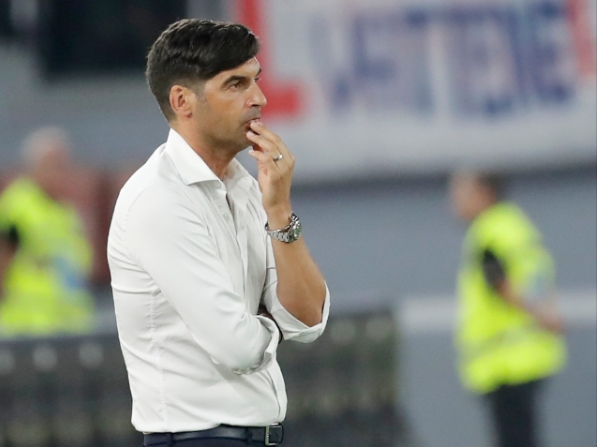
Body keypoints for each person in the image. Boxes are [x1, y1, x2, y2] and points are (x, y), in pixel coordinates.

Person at [107, 19, 330, 447]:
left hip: (255, 437)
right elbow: (238, 348)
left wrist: (279, 210)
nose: (259, 98)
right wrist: (273, 323)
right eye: (235, 84)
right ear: (182, 101)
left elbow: (307, 320)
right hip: (196, 439)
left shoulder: (246, 187)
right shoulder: (158, 199)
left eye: (256, 80)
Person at [449, 170, 566, 447]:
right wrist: (545, 315)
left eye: (461, 195)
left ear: (484, 194)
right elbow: (536, 280)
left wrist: (540, 314)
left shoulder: (489, 232)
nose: (454, 204)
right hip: (530, 352)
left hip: (504, 360)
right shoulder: (518, 227)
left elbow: (499, 282)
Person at [0, 127, 94, 336]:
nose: (60, 174)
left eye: (64, 166)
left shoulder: (69, 214)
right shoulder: (16, 208)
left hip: (70, 325)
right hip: (26, 327)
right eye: (53, 166)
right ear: (35, 167)